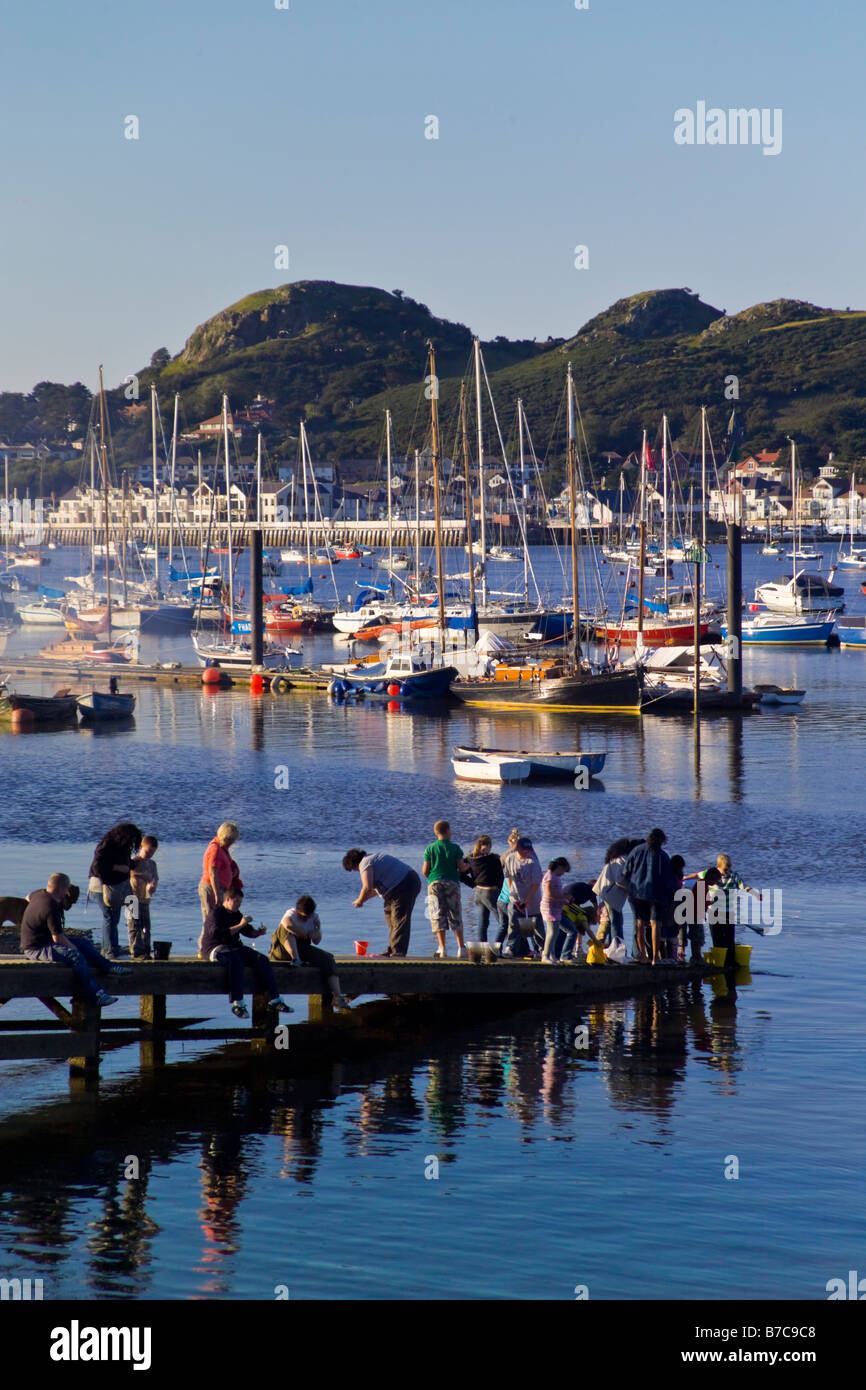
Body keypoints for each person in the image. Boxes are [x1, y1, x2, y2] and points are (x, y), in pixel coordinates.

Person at [20, 872, 130, 1007]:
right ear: (61, 888)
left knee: (84, 942)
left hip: (45, 941)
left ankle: (109, 966)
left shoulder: (39, 893)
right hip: (35, 948)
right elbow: (58, 938)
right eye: (66, 889)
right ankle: (97, 994)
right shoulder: (50, 906)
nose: (67, 892)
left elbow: (28, 897)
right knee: (76, 956)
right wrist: (72, 948)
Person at [201, 887, 293, 1020]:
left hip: (234, 947)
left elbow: (248, 932)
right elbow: (218, 933)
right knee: (235, 962)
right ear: (227, 899)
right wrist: (241, 924)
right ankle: (237, 1003)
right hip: (215, 948)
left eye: (240, 902)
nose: (239, 905)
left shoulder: (236, 914)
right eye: (236, 902)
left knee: (261, 959)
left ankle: (275, 999)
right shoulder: (216, 914)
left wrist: (258, 933)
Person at [272, 894, 350, 1010]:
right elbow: (287, 924)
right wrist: (305, 933)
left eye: (308, 917)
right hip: (282, 950)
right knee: (285, 928)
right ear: (298, 912)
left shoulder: (314, 918)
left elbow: (317, 940)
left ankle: (338, 997)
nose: (306, 919)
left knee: (327, 959)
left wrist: (317, 928)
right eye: (303, 917)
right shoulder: (291, 914)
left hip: (301, 948)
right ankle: (295, 959)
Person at [343, 848, 421, 957]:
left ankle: (398, 952)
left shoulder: (365, 862)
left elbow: (367, 888)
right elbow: (375, 891)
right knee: (390, 917)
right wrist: (361, 901)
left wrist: (360, 900)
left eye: (354, 869)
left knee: (399, 918)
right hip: (394, 889)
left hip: (406, 883)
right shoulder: (371, 862)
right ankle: (392, 949)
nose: (357, 871)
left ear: (354, 864)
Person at [621, 828, 677, 965]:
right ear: (661, 841)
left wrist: (631, 885)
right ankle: (654, 958)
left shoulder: (637, 851)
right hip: (657, 895)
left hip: (637, 893)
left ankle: (642, 956)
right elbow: (669, 880)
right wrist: (670, 897)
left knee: (640, 923)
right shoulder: (663, 856)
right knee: (655, 924)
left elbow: (625, 872)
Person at [89, 822, 142, 958]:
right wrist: (117, 868)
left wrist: (137, 862)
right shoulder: (107, 845)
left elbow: (126, 863)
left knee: (115, 917)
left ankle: (112, 948)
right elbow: (97, 867)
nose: (131, 844)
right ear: (124, 836)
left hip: (117, 887)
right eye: (131, 840)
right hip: (101, 886)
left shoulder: (122, 847)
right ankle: (109, 951)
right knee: (109, 916)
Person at [423, 821, 470, 959]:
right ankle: (461, 948)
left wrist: (432, 878)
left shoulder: (430, 848)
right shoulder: (455, 848)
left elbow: (425, 870)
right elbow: (461, 867)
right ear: (448, 831)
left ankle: (442, 948)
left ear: (436, 832)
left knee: (437, 915)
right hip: (452, 883)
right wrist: (469, 865)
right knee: (455, 914)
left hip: (435, 883)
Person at [198, 822, 243, 956]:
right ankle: (204, 949)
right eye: (230, 840)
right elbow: (212, 872)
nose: (231, 843)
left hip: (221, 888)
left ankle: (214, 946)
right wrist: (217, 894)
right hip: (211, 888)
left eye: (233, 840)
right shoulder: (215, 849)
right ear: (224, 837)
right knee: (210, 919)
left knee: (218, 918)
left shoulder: (222, 849)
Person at [593, 837, 641, 954]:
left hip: (610, 894)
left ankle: (613, 949)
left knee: (615, 922)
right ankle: (616, 951)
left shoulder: (619, 858)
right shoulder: (621, 860)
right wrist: (633, 889)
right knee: (616, 922)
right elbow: (620, 880)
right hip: (610, 894)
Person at [500, 836, 544, 957]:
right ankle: (510, 948)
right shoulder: (510, 859)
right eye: (525, 849)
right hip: (516, 898)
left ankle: (541, 949)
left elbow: (536, 884)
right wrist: (512, 895)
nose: (528, 852)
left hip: (532, 899)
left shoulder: (533, 862)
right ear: (518, 848)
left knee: (536, 926)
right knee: (513, 923)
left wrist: (527, 901)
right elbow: (508, 876)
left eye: (529, 849)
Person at [463, 836, 504, 943]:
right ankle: (498, 948)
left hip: (479, 893)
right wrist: (500, 889)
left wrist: (473, 883)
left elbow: (460, 874)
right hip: (491, 893)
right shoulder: (493, 858)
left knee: (483, 922)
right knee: (504, 922)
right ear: (489, 845)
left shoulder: (470, 859)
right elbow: (500, 876)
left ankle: (482, 947)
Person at [679, 865, 722, 963]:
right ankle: (696, 957)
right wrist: (711, 904)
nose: (716, 883)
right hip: (695, 915)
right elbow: (701, 903)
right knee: (697, 937)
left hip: (694, 913)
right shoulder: (702, 885)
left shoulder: (701, 883)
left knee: (696, 937)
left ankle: (695, 956)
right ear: (712, 879)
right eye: (716, 881)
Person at [127, 834, 159, 960]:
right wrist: (142, 876)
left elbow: (155, 878)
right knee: (134, 926)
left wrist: (153, 885)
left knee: (146, 926)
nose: (150, 854)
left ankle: (146, 950)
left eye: (153, 852)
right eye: (148, 851)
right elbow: (130, 873)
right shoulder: (134, 861)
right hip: (132, 898)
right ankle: (135, 951)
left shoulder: (152, 864)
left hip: (145, 899)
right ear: (141, 847)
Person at [559, 882, 599, 961]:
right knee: (573, 932)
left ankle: (559, 953)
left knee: (563, 934)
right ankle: (567, 955)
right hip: (563, 909)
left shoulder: (584, 890)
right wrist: (596, 941)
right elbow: (588, 930)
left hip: (559, 908)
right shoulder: (582, 914)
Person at [540, 857, 570, 963]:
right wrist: (562, 898)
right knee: (551, 932)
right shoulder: (550, 877)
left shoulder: (555, 877)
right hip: (549, 908)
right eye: (563, 871)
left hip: (556, 908)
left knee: (555, 932)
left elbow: (556, 891)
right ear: (559, 867)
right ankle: (545, 955)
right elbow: (549, 893)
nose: (563, 873)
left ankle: (552, 955)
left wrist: (565, 896)